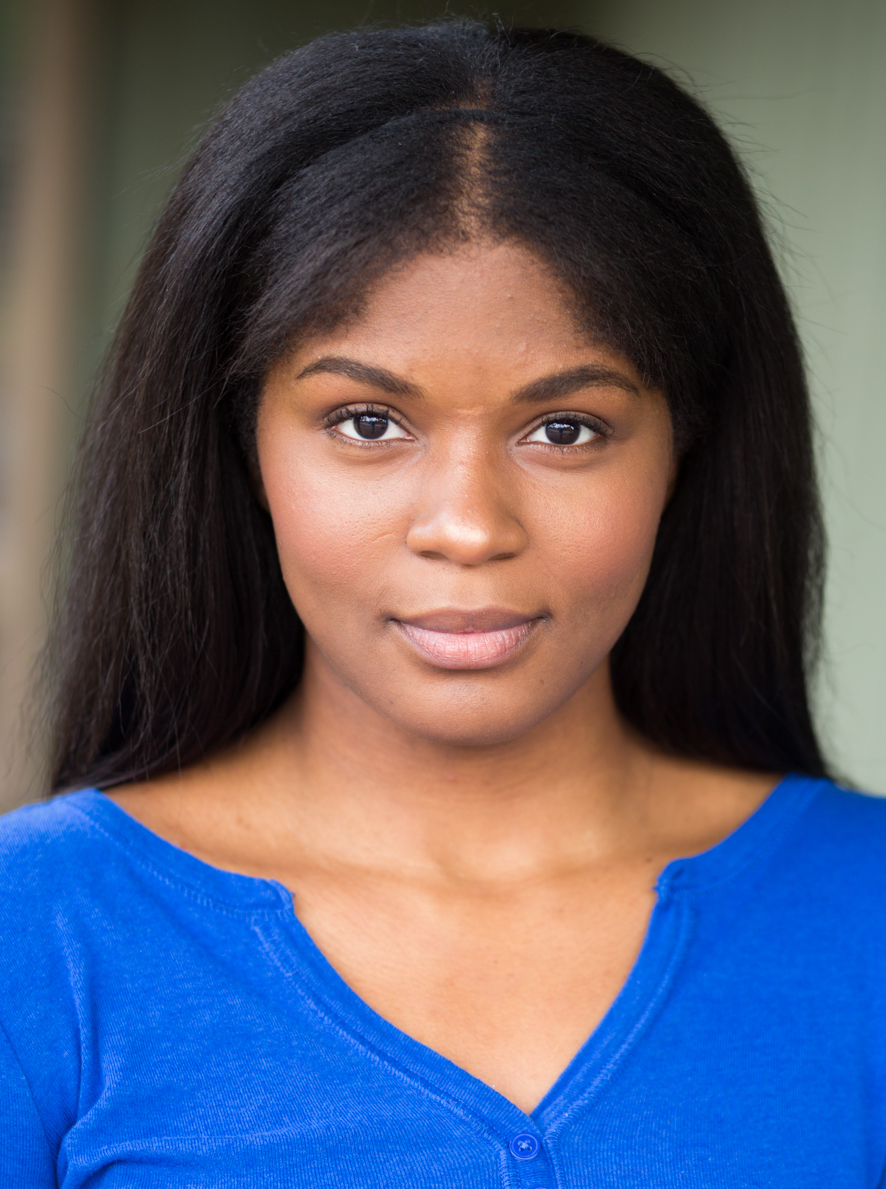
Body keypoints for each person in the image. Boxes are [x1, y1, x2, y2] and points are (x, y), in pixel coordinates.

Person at [0, 19, 883, 1187]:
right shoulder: (37, 931)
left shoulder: (861, 915)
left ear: (687, 447)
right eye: (367, 422)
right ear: (241, 445)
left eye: (564, 429)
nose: (468, 524)